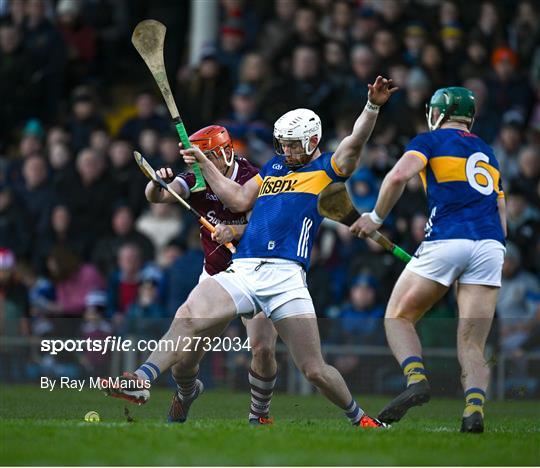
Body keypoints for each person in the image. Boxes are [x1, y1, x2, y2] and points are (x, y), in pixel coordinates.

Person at [101, 76, 396, 429]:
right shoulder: (272, 168)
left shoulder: (327, 169)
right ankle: (142, 379)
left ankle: (359, 418)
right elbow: (238, 199)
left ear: (313, 141)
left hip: (287, 277)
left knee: (313, 368)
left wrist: (372, 106)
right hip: (244, 268)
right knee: (189, 313)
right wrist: (203, 163)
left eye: (292, 145)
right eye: (282, 144)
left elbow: (355, 141)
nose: (285, 151)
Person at [350, 87, 507, 433]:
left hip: (448, 238)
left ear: (437, 113)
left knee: (398, 316)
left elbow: (397, 177)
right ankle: (473, 410)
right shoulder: (487, 150)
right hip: (491, 244)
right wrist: (495, 249)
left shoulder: (429, 141)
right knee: (472, 343)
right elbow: (500, 207)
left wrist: (375, 217)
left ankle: (416, 380)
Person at [144, 125, 279, 425]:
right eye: (195, 159)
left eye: (203, 158)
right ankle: (186, 393)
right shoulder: (194, 179)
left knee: (263, 348)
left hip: (257, 272)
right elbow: (160, 196)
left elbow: (265, 225)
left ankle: (259, 415)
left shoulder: (253, 178)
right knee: (186, 361)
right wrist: (157, 184)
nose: (197, 165)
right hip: (217, 275)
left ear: (223, 152)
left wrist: (235, 231)